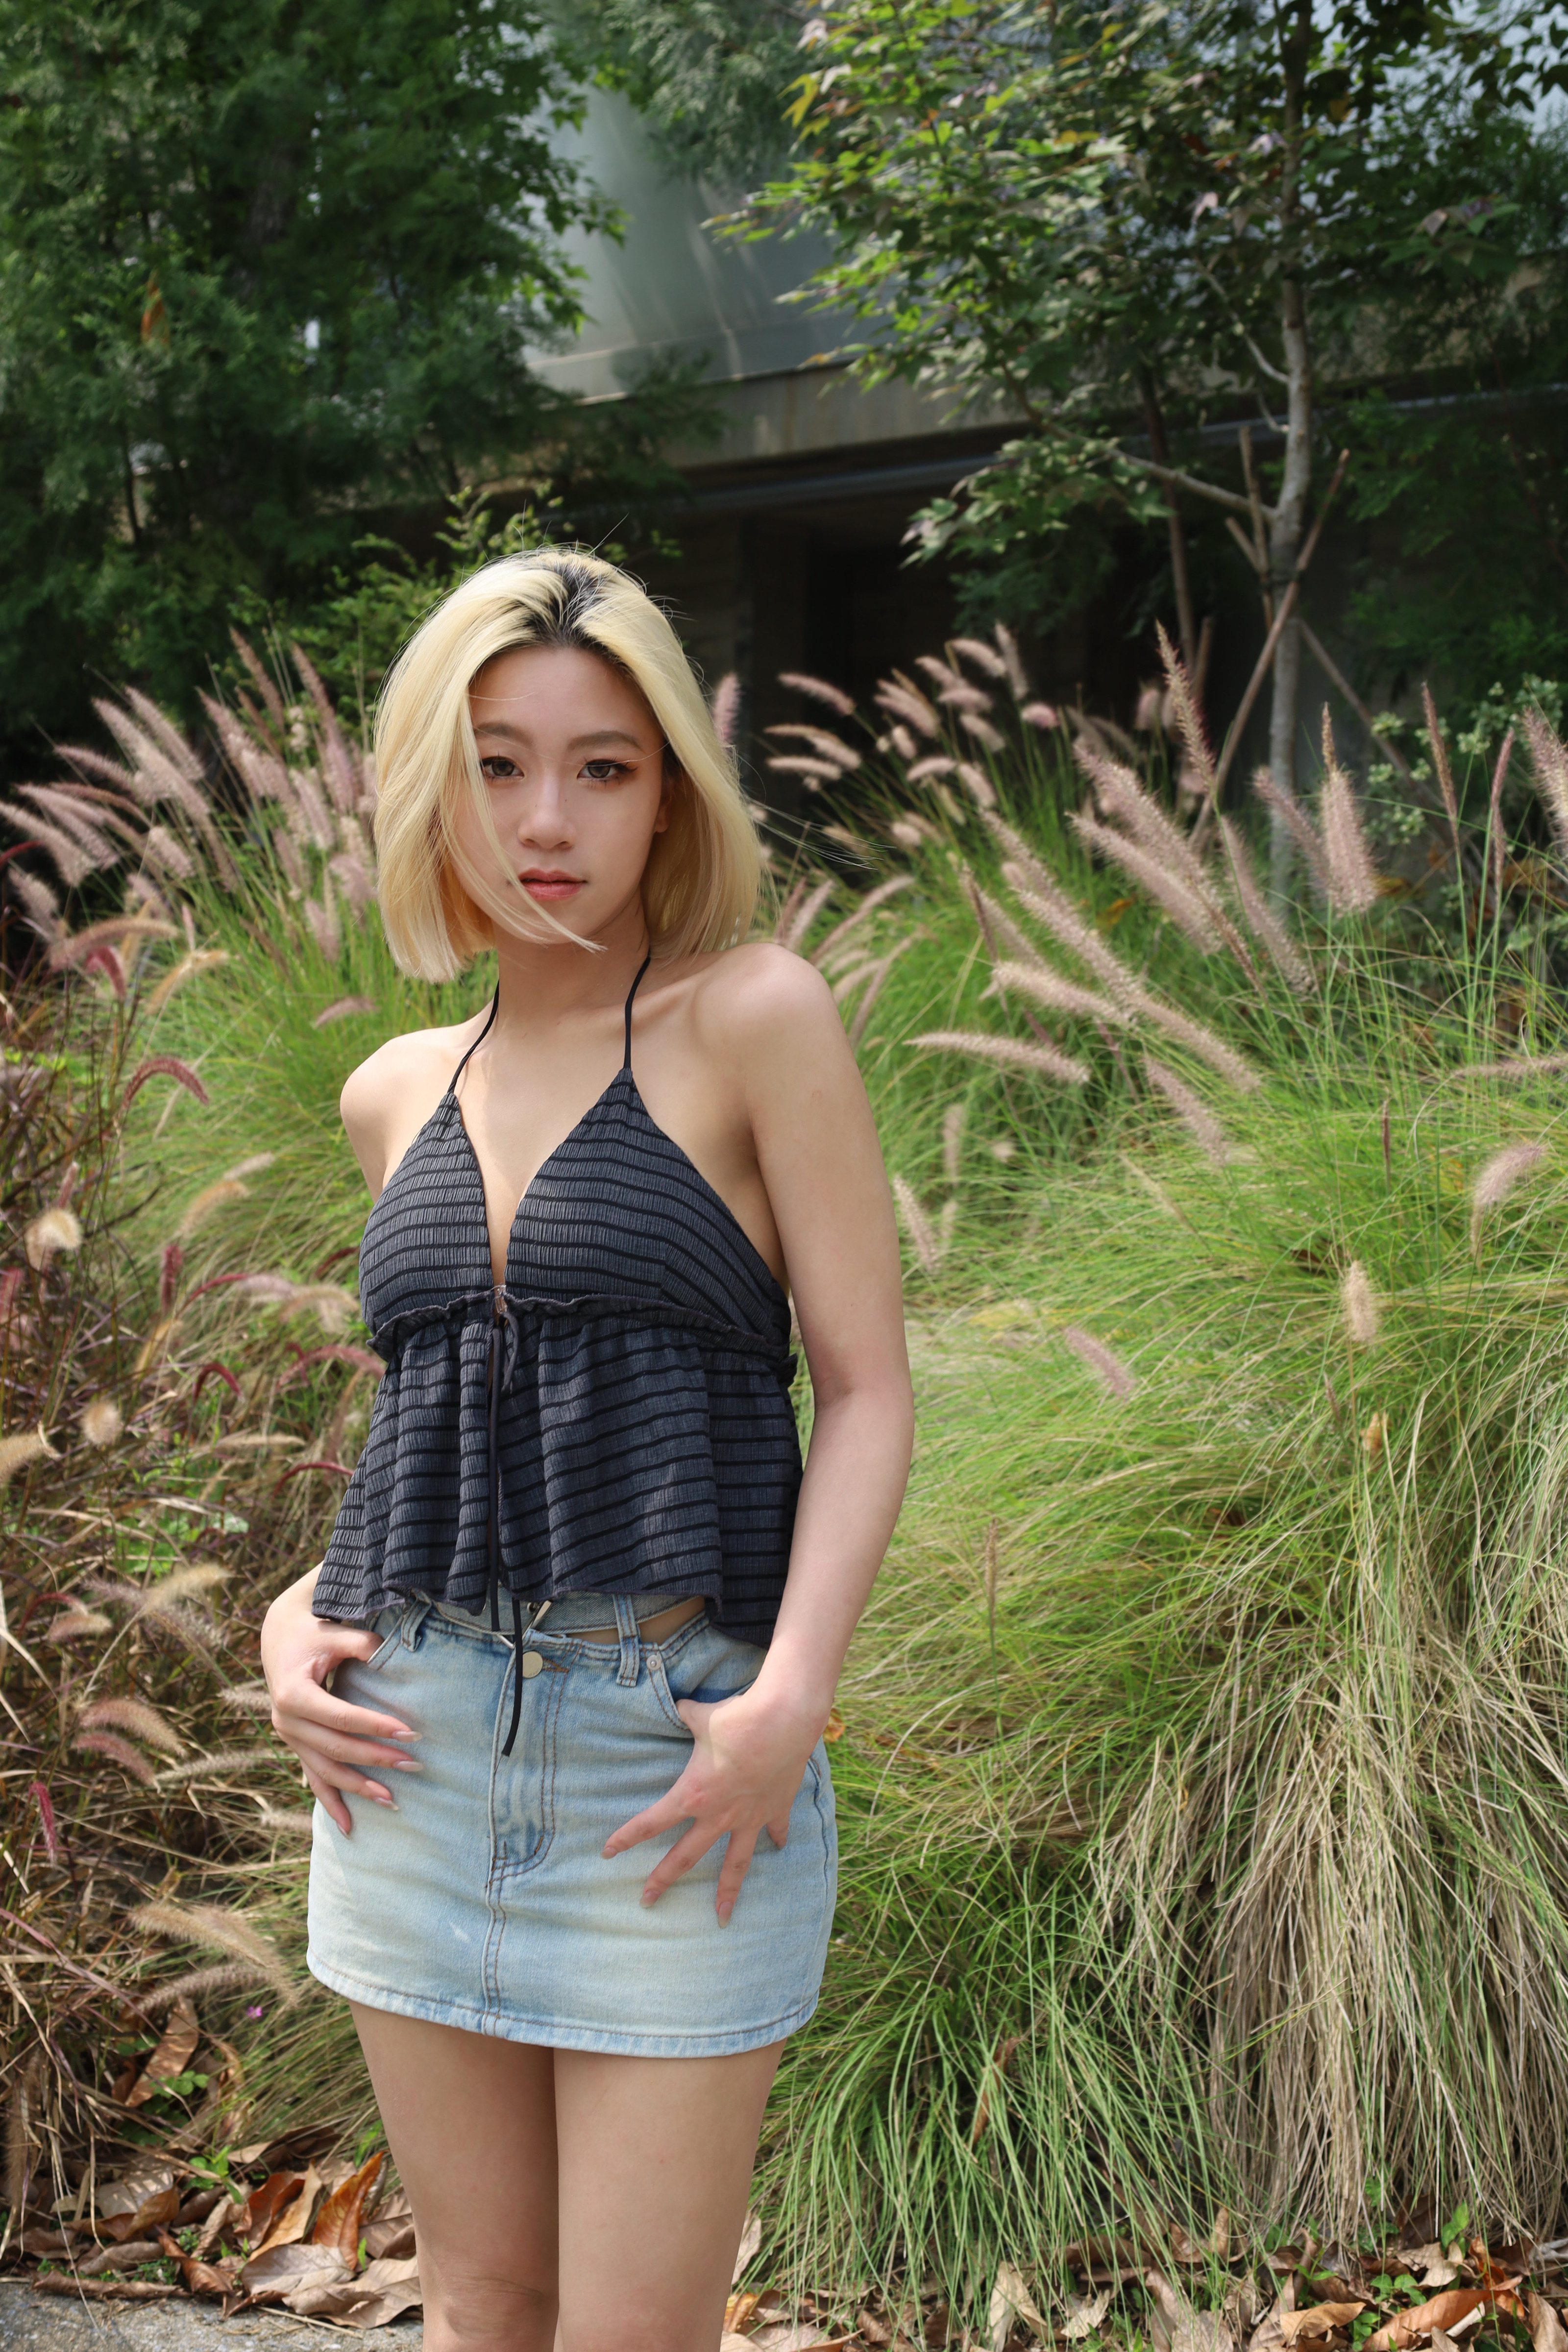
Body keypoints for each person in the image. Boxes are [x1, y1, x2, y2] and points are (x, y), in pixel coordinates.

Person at [260, 550, 914, 2352]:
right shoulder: (393, 1087)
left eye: (604, 766)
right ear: (433, 786)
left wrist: (790, 1698)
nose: (547, 818)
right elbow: (449, 1426)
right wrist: (297, 1610)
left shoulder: (757, 1016)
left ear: (669, 795)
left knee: (632, 2331)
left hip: (668, 1757)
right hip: (410, 1750)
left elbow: (867, 1390)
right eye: (497, 764)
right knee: (482, 2305)